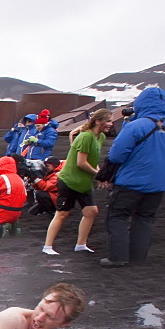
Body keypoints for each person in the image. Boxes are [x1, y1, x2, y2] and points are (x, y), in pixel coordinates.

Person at [100, 88, 165, 268]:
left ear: (140, 103)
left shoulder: (135, 126)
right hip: (159, 183)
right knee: (145, 218)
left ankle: (118, 257)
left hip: (131, 181)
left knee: (118, 216)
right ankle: (138, 257)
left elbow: (116, 155)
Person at [41, 109, 113, 255]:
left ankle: (81, 244)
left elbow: (92, 160)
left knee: (91, 211)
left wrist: (101, 175)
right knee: (62, 214)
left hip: (84, 183)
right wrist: (99, 175)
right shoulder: (86, 137)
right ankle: (47, 247)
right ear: (98, 121)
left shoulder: (100, 137)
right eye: (108, 121)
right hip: (70, 181)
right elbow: (81, 163)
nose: (111, 124)